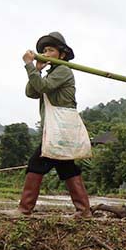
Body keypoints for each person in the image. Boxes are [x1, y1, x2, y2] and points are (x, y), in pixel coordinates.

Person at [16, 32, 92, 218]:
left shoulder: (63, 71)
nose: (46, 53)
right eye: (44, 50)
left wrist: (28, 66)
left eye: (50, 50)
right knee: (67, 167)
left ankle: (25, 210)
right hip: (58, 130)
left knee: (36, 163)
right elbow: (31, 92)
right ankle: (84, 211)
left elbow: (42, 87)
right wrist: (37, 69)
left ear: (62, 54)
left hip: (60, 130)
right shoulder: (51, 74)